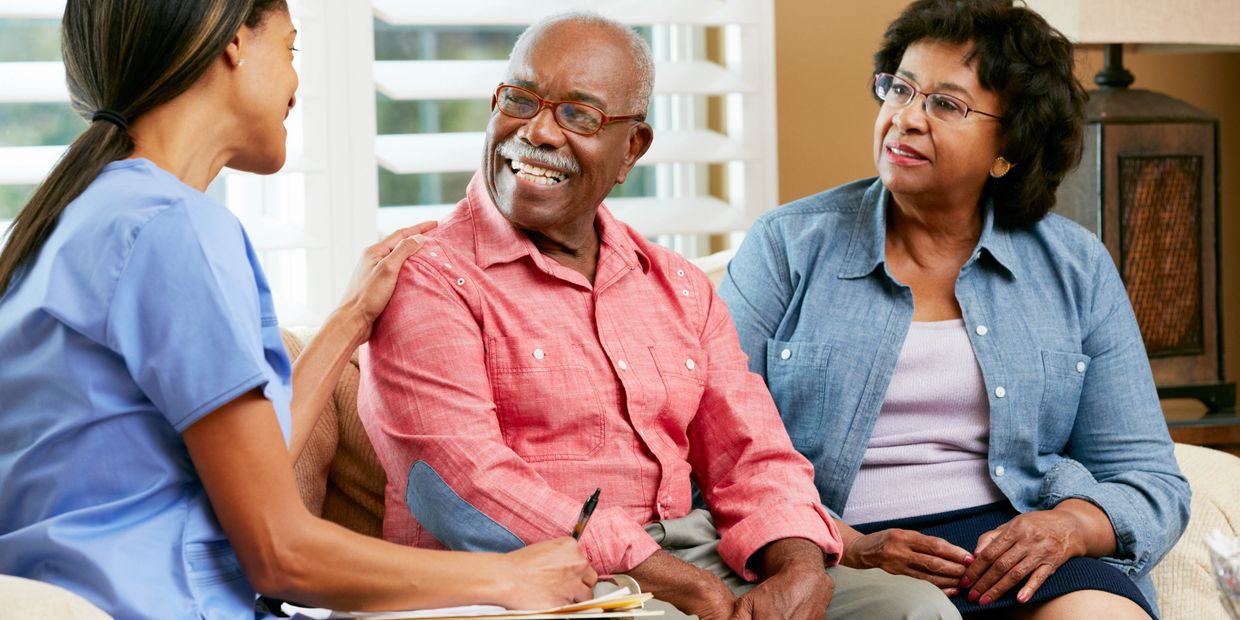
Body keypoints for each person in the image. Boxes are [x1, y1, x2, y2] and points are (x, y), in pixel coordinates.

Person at [0, 1, 595, 618]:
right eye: (290, 49)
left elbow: (250, 475)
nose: (295, 83)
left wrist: (349, 320)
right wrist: (507, 577)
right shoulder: (176, 232)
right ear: (234, 43)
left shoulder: (66, 222)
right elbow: (279, 553)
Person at [358, 11, 958, 620]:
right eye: (520, 99)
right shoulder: (428, 277)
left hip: (694, 554)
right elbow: (464, 486)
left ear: (632, 149)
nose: (537, 131)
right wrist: (683, 588)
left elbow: (753, 455)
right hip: (527, 576)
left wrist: (800, 566)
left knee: (911, 608)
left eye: (579, 115)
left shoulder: (675, 284)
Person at [717, 0, 1191, 618]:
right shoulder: (786, 245)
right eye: (900, 89)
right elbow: (713, 444)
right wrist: (845, 544)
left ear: (1008, 149)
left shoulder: (1075, 265)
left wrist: (1069, 526)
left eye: (947, 104)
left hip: (1018, 549)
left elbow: (1149, 479)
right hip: (841, 548)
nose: (905, 119)